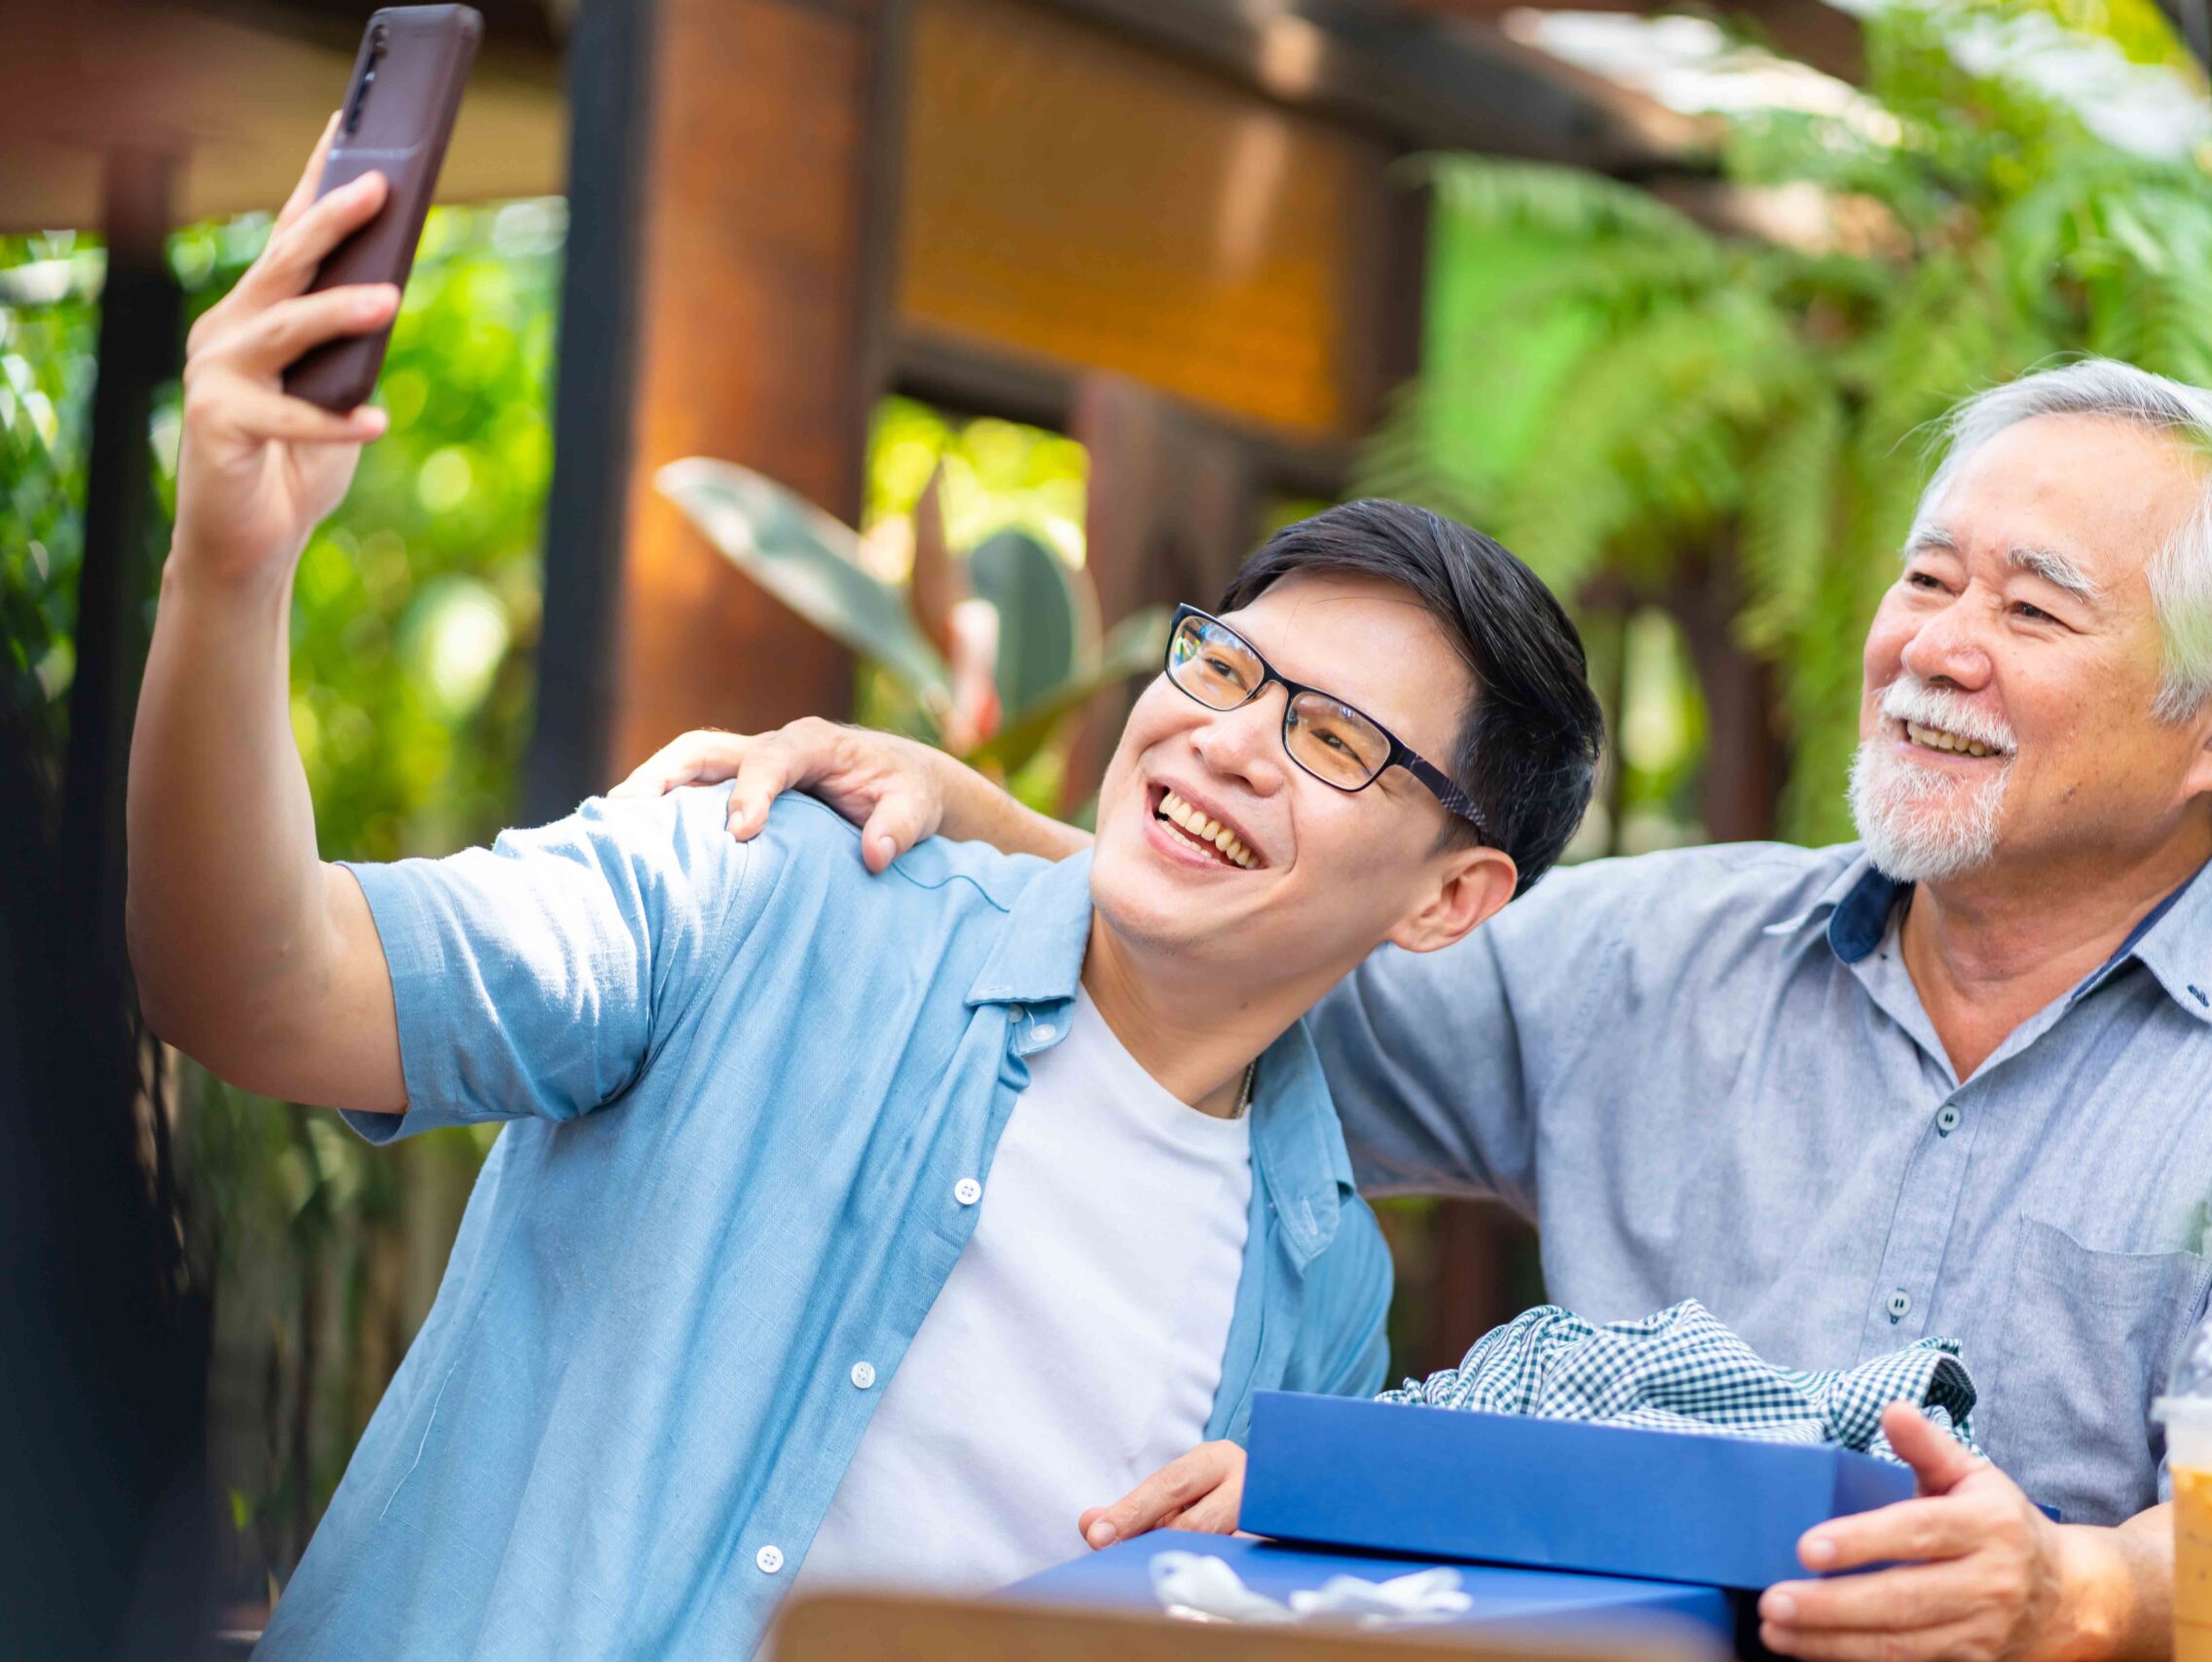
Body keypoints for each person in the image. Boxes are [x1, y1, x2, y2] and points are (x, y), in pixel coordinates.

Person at [644, 358, 2212, 1661]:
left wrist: (2064, 1601)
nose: (1936, 643)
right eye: (1926, 578)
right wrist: (980, 814)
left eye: (2033, 606)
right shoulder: (1656, 952)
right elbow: (1245, 966)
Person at [122, 129, 1604, 1660]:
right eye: (1227, 666)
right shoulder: (764, 883)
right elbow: (256, 988)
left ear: (1451, 897)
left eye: (1334, 738)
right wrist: (230, 569)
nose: (1225, 745)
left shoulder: (1319, 1281)